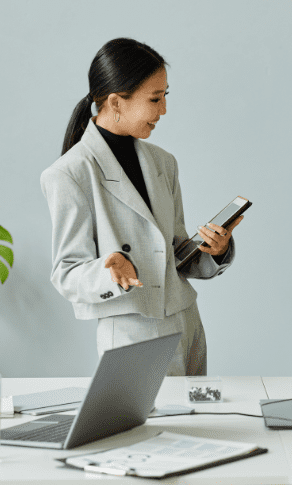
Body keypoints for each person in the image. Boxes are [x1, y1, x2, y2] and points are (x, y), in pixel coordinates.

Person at [40, 38, 242, 376]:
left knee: (197, 425)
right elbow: (67, 273)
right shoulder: (70, 173)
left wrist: (215, 251)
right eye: (154, 99)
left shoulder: (164, 162)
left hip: (187, 322)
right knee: (143, 428)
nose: (163, 110)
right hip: (132, 332)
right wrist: (109, 269)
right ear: (117, 102)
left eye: (166, 96)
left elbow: (175, 254)